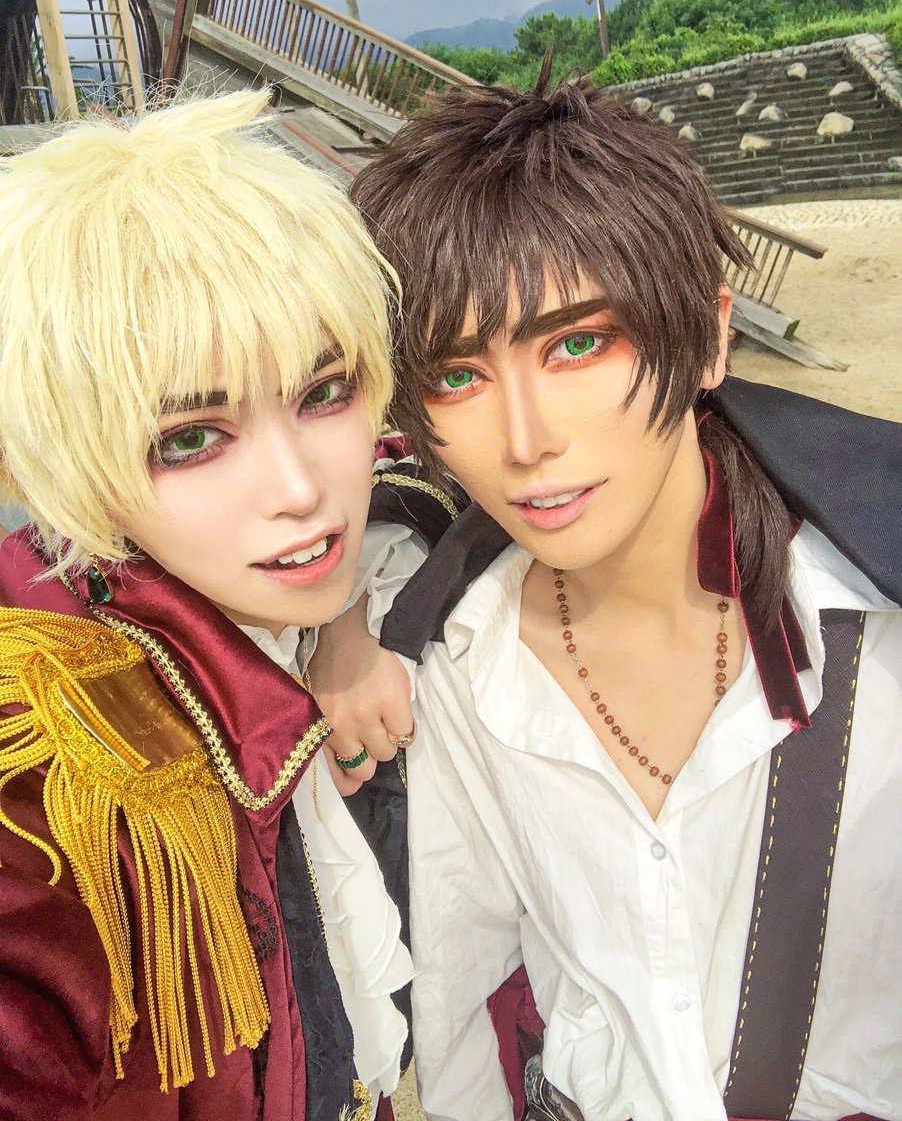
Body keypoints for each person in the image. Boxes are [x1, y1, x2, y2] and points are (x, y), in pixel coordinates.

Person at [312, 66, 902, 1121]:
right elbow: (463, 990)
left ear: (708, 336)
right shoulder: (462, 666)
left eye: (578, 343)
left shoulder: (874, 626)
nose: (525, 438)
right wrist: (342, 625)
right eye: (456, 374)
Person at [0, 90, 414, 1121]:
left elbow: (412, 463)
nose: (302, 490)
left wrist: (343, 625)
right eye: (190, 439)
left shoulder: (289, 557)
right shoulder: (48, 756)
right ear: (69, 466)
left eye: (324, 391)